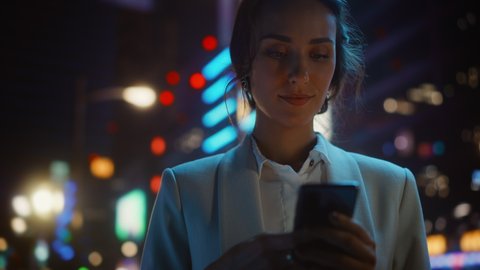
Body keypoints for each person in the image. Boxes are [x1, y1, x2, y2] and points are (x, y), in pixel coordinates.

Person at [141, 0, 431, 269]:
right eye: (277, 52)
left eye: (318, 54)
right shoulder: (185, 191)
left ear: (335, 66)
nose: (299, 74)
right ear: (245, 62)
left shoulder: (393, 189)